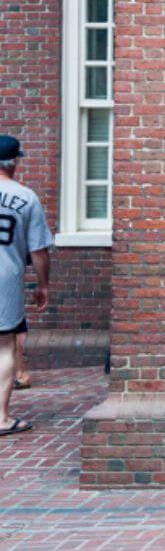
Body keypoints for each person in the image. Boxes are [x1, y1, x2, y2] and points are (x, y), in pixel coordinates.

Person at [0, 136, 53, 436]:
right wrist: (43, 284)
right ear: (15, 162)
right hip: (5, 279)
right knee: (5, 347)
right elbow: (38, 250)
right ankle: (1, 417)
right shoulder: (26, 197)